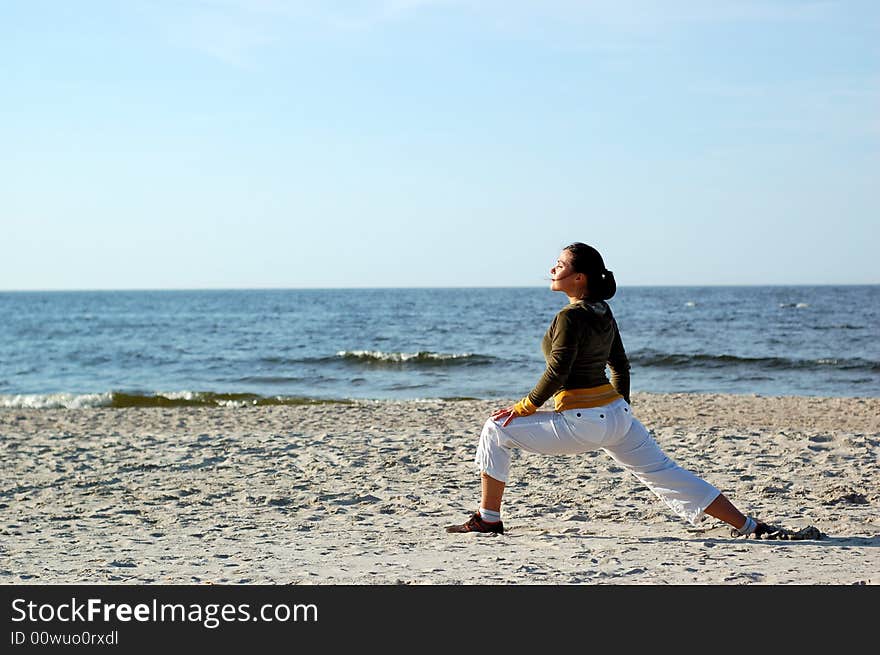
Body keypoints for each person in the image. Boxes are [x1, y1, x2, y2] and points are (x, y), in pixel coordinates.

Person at [445, 242, 775, 539]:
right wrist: (622, 409)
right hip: (618, 417)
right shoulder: (603, 311)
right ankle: (748, 526)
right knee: (666, 473)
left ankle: (488, 519)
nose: (552, 269)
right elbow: (620, 365)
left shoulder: (569, 317)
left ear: (579, 278)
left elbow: (557, 372)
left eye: (560, 264)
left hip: (584, 421)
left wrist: (524, 407)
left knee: (494, 428)